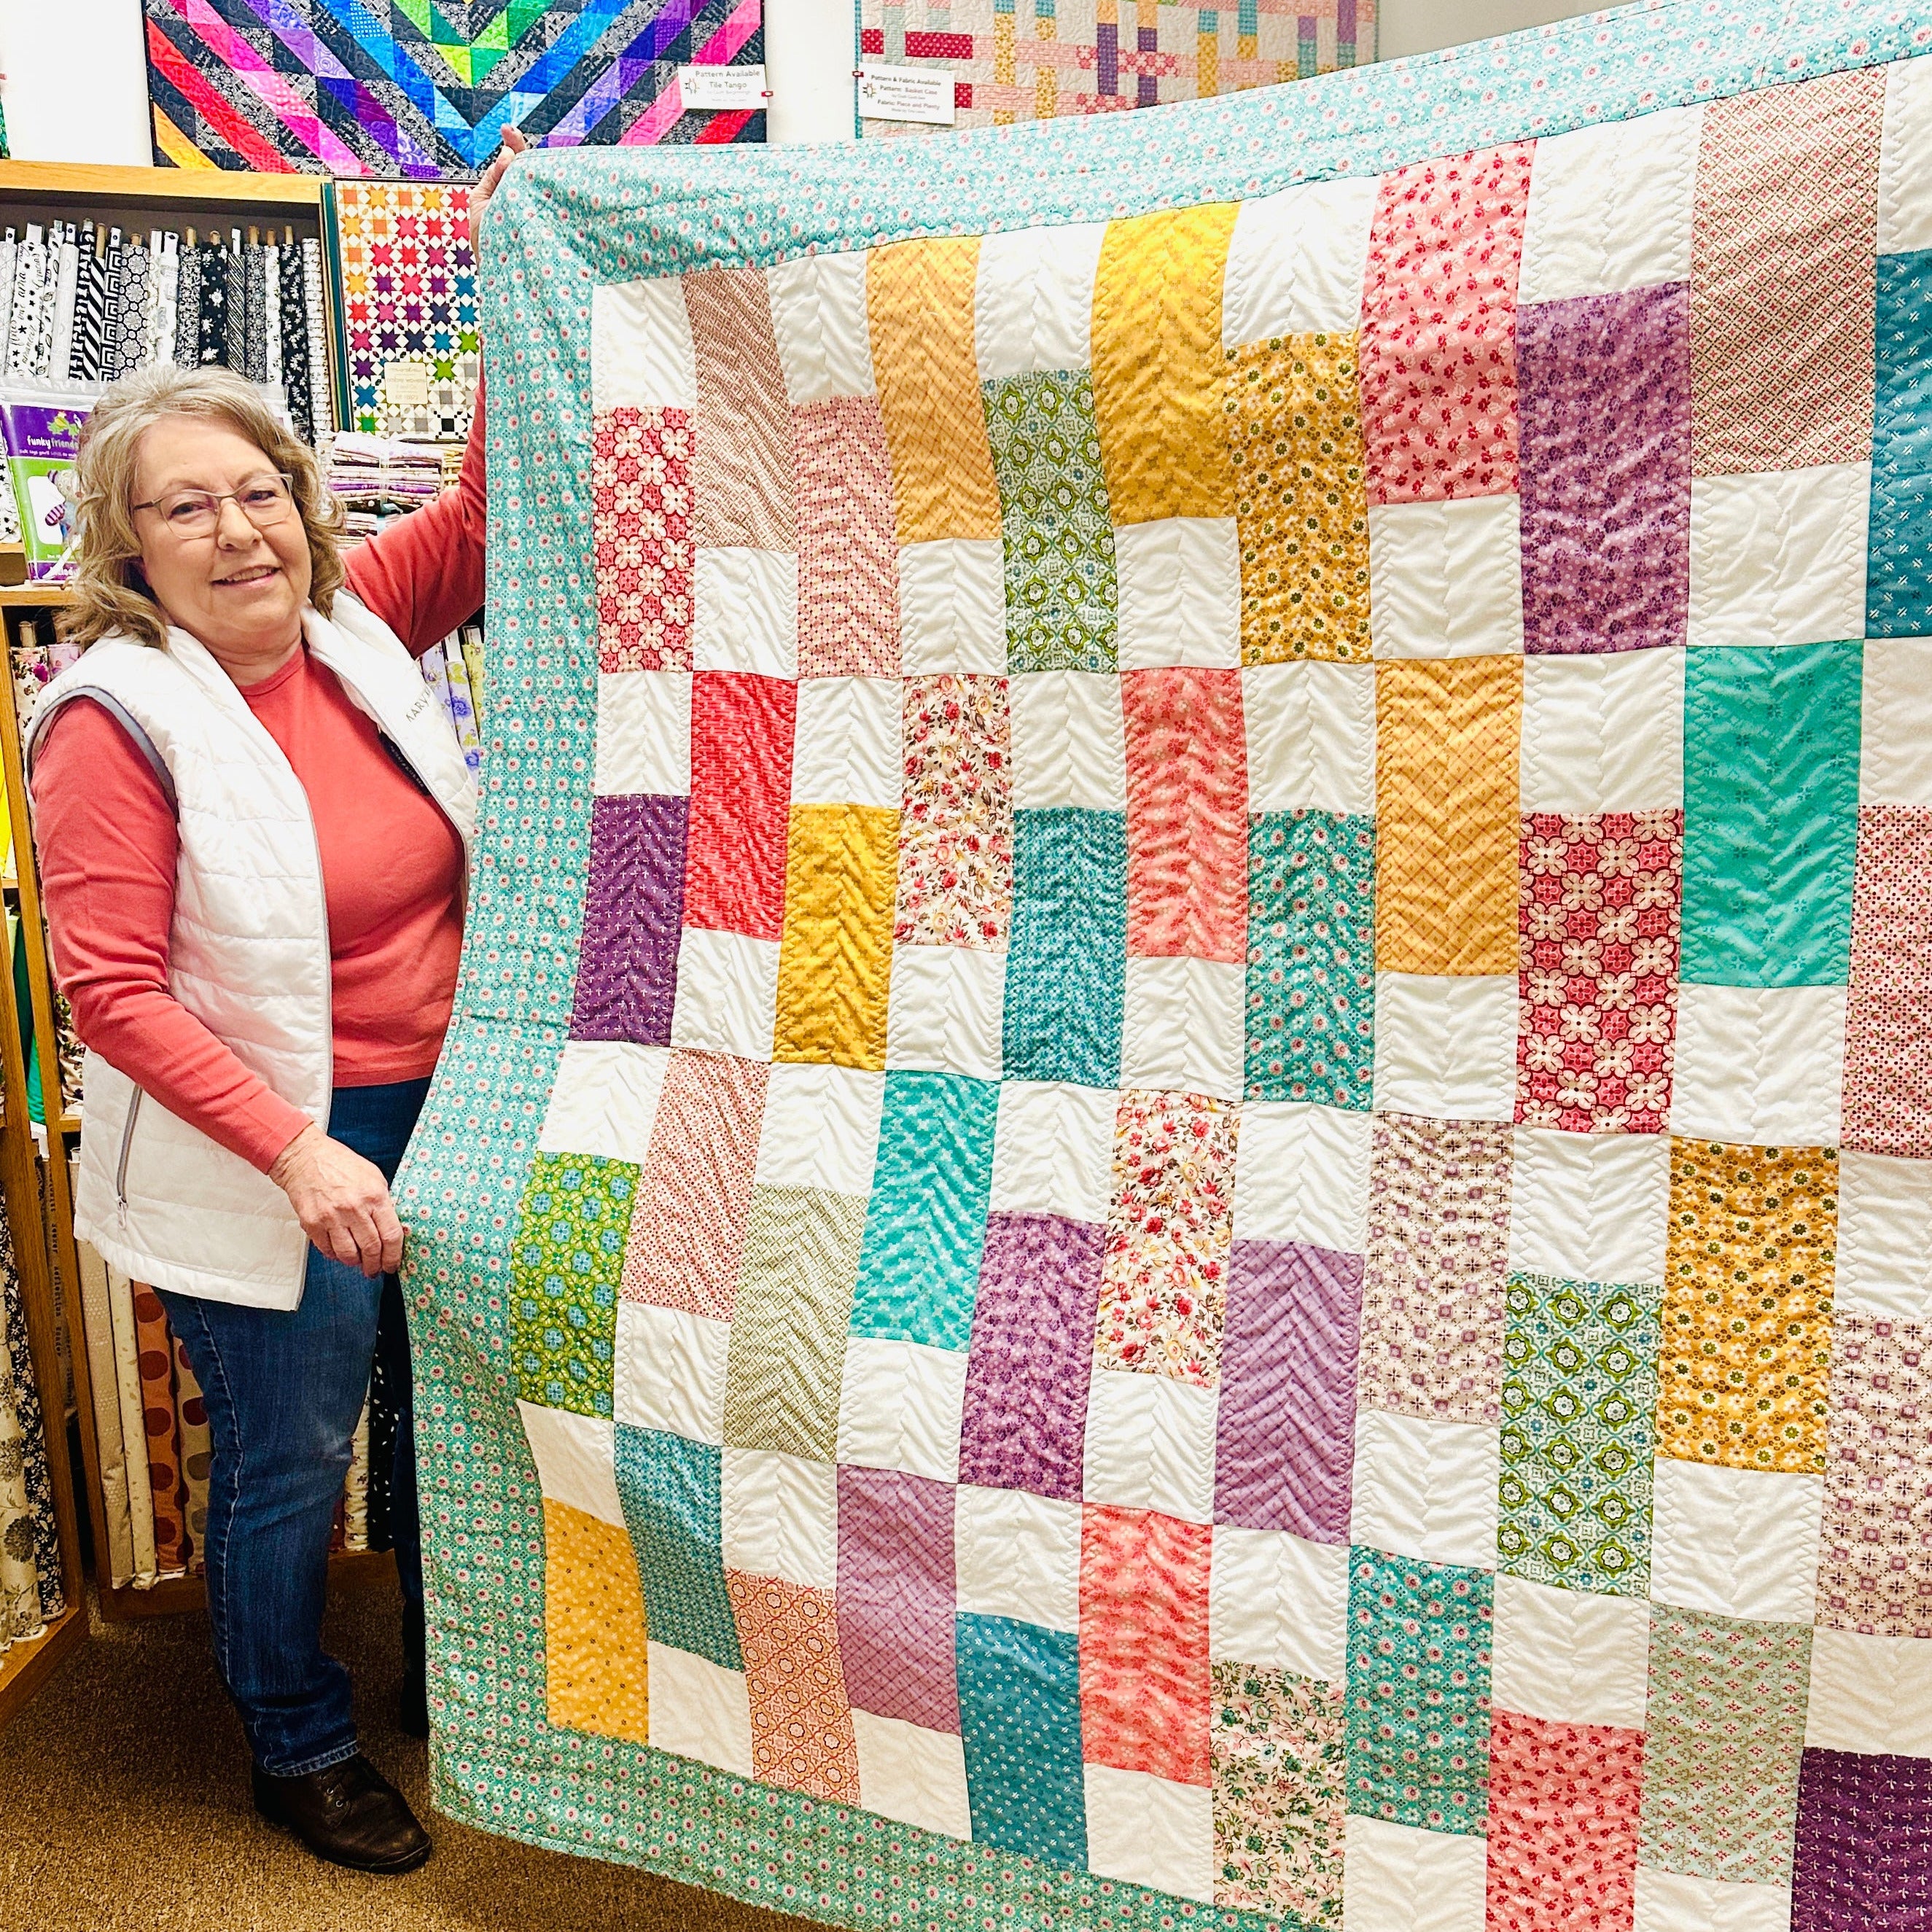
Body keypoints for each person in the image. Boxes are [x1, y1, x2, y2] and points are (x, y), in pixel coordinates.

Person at [28, 129, 526, 1875]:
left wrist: (508, 264)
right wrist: (302, 1151)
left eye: (259, 491)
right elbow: (113, 997)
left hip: (435, 1106)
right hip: (266, 1146)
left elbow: (488, 512)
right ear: (129, 546)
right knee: (294, 1447)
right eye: (186, 505)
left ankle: (440, 1671)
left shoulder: (352, 623)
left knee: (439, 1408)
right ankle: (296, 1736)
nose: (237, 527)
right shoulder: (114, 717)